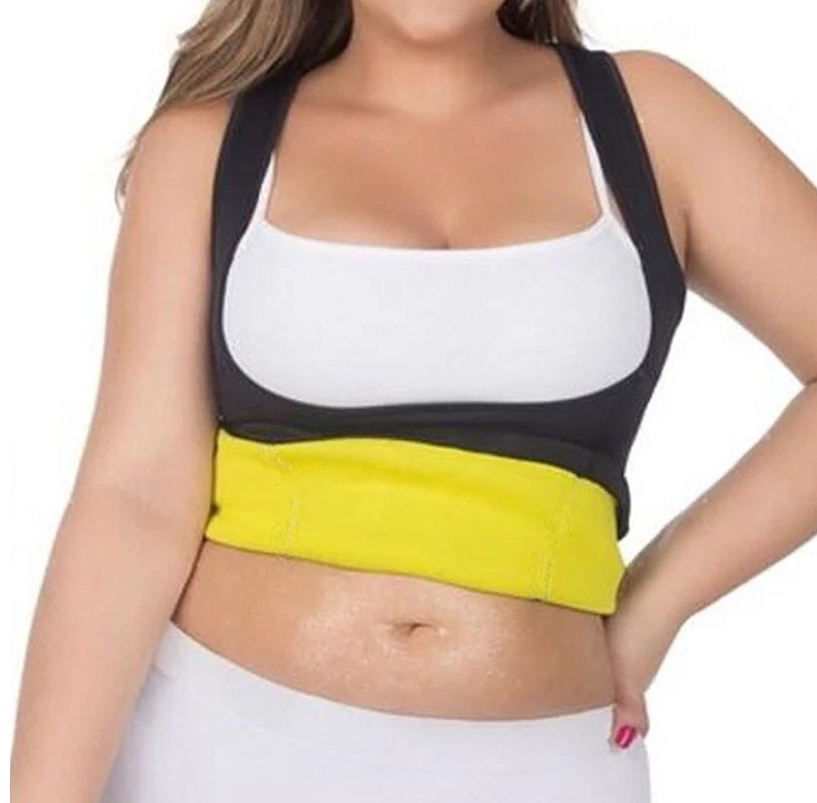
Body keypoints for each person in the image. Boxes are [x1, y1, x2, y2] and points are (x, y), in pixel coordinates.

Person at [10, 1, 817, 802]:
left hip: (545, 768)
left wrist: (657, 604)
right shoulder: (206, 146)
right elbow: (134, 498)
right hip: (218, 743)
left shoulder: (650, 120)